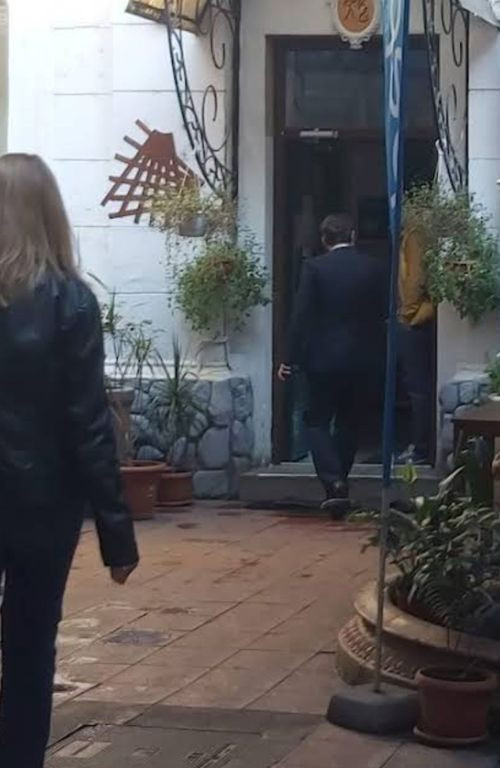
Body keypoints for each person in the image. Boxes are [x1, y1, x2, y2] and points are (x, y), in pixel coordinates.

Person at [0, 153, 139, 768]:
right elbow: (88, 421)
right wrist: (117, 533)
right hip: (42, 502)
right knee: (31, 646)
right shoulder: (71, 301)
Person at [279, 213, 386, 513]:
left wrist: (289, 358)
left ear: (325, 240)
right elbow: (384, 312)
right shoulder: (374, 267)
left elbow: (301, 315)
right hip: (363, 358)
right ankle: (340, 479)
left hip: (322, 359)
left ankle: (333, 480)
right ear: (352, 236)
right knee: (350, 421)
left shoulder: (314, 268)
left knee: (316, 420)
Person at [397, 226, 435, 464]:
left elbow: (415, 280)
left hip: (417, 320)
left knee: (417, 387)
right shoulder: (417, 232)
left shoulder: (415, 234)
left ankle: (420, 448)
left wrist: (406, 315)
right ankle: (420, 446)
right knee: (418, 386)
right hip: (420, 317)